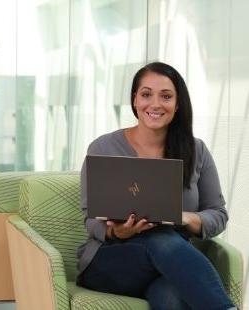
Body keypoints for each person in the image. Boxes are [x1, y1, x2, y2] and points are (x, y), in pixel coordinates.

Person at [76, 62, 236, 310]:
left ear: (178, 104)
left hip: (169, 263)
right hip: (111, 262)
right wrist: (118, 232)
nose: (155, 104)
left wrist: (184, 217)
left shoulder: (197, 151)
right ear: (135, 100)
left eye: (166, 96)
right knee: (159, 236)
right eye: (146, 94)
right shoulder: (103, 148)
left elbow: (218, 214)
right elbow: (90, 217)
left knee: (171, 293)